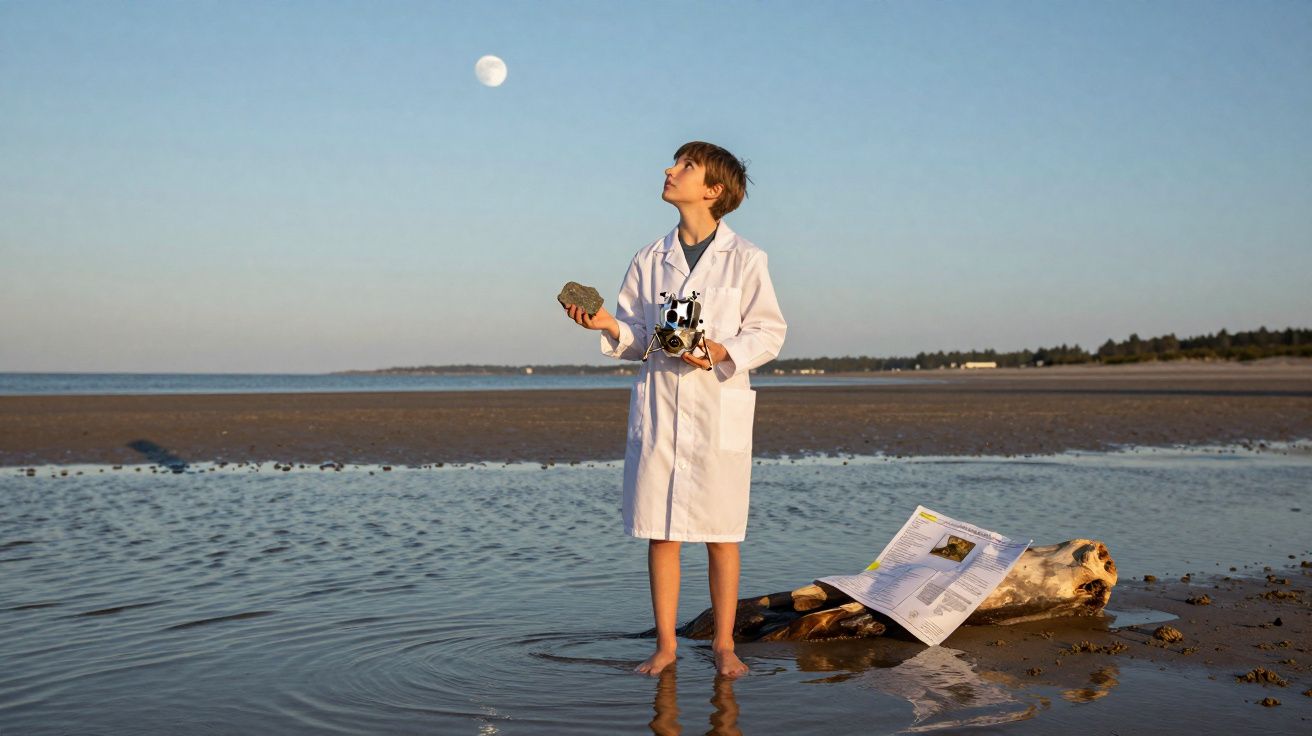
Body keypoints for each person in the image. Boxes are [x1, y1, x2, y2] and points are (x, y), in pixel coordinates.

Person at [562, 141, 787, 677]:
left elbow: (770, 329)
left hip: (718, 405)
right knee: (662, 531)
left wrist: (719, 350)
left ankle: (724, 645)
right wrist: (605, 326)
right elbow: (640, 336)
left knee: (722, 531)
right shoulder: (649, 258)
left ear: (714, 190)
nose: (669, 170)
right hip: (662, 404)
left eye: (685, 166)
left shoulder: (747, 258)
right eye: (675, 162)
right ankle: (665, 646)